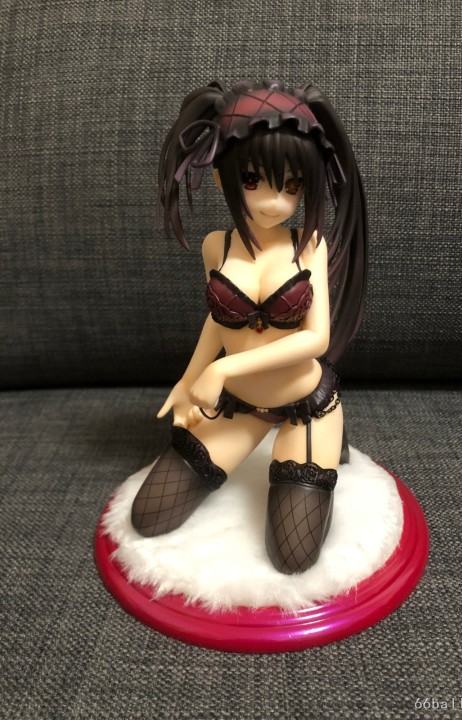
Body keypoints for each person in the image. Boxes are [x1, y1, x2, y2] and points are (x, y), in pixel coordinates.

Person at [131, 79, 368, 574]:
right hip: (239, 406)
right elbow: (220, 320)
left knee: (291, 555)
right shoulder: (215, 246)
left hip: (304, 405)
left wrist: (222, 370)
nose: (275, 202)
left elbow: (316, 339)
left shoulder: (309, 245)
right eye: (255, 179)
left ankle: (333, 438)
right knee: (148, 515)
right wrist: (188, 379)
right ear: (223, 177)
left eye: (293, 186)